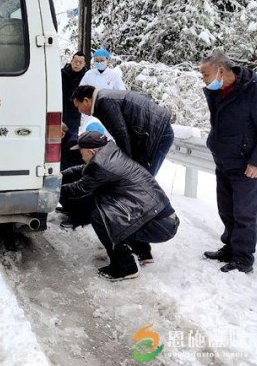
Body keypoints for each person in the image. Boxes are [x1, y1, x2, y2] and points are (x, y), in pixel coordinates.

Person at [199, 52, 257, 274]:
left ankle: (243, 259)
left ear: (221, 71)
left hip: (247, 165)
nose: (204, 80)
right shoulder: (217, 92)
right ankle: (230, 248)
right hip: (224, 161)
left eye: (205, 74)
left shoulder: (256, 91)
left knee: (244, 214)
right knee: (226, 210)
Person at [59, 131, 179, 281]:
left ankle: (125, 267)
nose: (81, 156)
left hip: (159, 226)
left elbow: (79, 188)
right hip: (165, 218)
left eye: (81, 152)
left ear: (91, 151)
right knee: (120, 207)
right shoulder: (111, 154)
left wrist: (52, 189)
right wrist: (60, 175)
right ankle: (142, 252)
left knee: (101, 216)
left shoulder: (102, 165)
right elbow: (83, 171)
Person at [71, 85, 174, 176]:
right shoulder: (103, 99)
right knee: (138, 175)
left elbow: (120, 133)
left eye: (78, 106)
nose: (79, 111)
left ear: (86, 101)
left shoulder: (105, 102)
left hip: (159, 134)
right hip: (150, 134)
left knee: (144, 179)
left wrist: (125, 166)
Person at [61, 51, 88, 133]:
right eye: (76, 61)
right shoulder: (61, 74)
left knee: (73, 140)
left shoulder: (87, 77)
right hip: (61, 112)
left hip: (76, 115)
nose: (78, 64)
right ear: (71, 61)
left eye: (80, 62)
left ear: (84, 64)